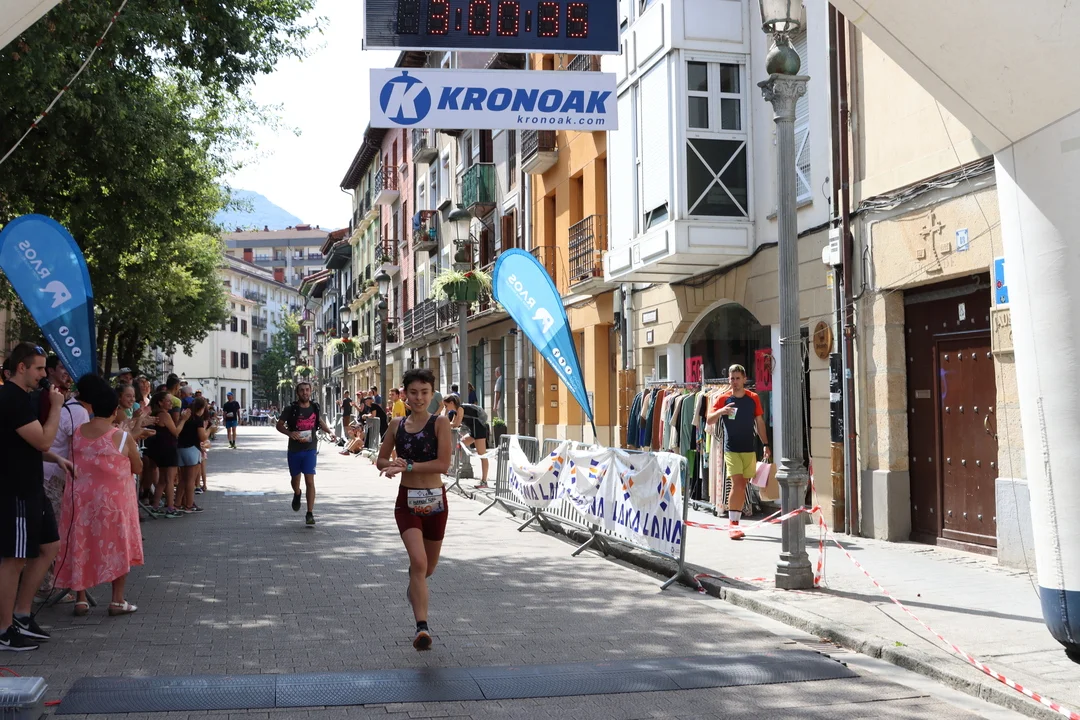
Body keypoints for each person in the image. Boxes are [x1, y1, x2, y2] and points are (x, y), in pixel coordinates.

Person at [56, 374, 144, 617]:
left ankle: (81, 598)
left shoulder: (78, 432)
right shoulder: (121, 436)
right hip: (114, 501)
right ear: (115, 410)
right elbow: (137, 467)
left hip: (80, 499)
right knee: (118, 545)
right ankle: (117, 600)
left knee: (81, 543)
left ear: (93, 408)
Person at [376, 368, 452, 651]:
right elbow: (380, 459)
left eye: (424, 392)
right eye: (413, 392)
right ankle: (422, 627)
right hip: (407, 502)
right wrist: (392, 465)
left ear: (432, 395)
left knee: (427, 568)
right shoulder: (396, 424)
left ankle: (414, 586)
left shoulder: (440, 423)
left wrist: (407, 465)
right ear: (404, 394)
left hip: (435, 502)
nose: (419, 398)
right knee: (418, 563)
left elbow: (443, 465)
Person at [0, 343, 69, 651]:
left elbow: (27, 444)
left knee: (49, 545)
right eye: (39, 368)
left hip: (31, 487)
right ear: (21, 368)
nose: (44, 374)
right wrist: (56, 407)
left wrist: (56, 458)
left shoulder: (22, 398)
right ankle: (4, 629)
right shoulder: (11, 398)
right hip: (15, 490)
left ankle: (22, 614)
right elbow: (42, 440)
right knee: (14, 559)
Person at [706, 364, 771, 540]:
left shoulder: (753, 398)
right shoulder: (723, 398)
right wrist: (721, 411)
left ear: (744, 379)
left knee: (743, 485)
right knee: (737, 484)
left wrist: (765, 444)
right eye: (732, 378)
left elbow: (759, 422)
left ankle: (736, 522)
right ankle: (733, 525)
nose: (734, 382)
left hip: (748, 449)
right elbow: (709, 420)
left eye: (737, 378)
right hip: (731, 449)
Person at [276, 382, 336, 526]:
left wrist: (330, 432)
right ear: (298, 393)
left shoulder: (315, 407)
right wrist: (290, 433)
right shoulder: (291, 409)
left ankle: (310, 513)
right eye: (302, 390)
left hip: (310, 449)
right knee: (295, 480)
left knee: (310, 480)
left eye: (307, 390)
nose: (305, 392)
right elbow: (279, 425)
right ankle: (297, 493)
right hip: (294, 449)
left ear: (311, 391)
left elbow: (319, 421)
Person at [146, 390, 189, 518]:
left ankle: (155, 506)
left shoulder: (157, 414)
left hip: (160, 449)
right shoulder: (165, 415)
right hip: (168, 449)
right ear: (161, 403)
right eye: (168, 401)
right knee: (170, 479)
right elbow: (176, 432)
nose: (171, 403)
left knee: (163, 480)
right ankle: (170, 508)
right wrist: (183, 420)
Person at [443, 395, 491, 488]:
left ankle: (484, 481)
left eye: (446, 405)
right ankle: (456, 466)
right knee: (460, 444)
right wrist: (446, 421)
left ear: (451, 403)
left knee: (482, 455)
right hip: (473, 431)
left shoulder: (460, 409)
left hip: (480, 431)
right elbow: (453, 423)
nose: (446, 408)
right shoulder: (456, 412)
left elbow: (456, 424)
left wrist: (444, 423)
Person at [176, 397, 210, 513]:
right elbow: (202, 437)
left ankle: (177, 504)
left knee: (182, 479)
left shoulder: (185, 417)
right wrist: (209, 430)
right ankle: (189, 505)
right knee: (191, 480)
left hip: (181, 449)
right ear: (202, 408)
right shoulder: (198, 419)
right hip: (192, 449)